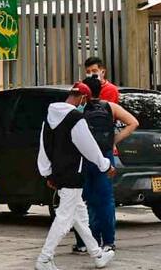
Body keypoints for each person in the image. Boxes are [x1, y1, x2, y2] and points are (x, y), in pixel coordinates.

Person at [35, 83, 116, 270]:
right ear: (83, 99)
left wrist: (47, 173)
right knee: (64, 218)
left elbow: (44, 147)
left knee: (79, 216)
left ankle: (97, 255)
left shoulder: (48, 117)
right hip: (74, 174)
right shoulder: (76, 118)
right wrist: (105, 165)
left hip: (59, 174)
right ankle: (44, 258)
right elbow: (88, 146)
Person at [72, 76, 139, 254]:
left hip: (83, 158)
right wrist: (113, 139)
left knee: (84, 201)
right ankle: (109, 241)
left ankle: (85, 242)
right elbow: (133, 122)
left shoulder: (78, 109)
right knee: (105, 200)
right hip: (105, 157)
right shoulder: (110, 107)